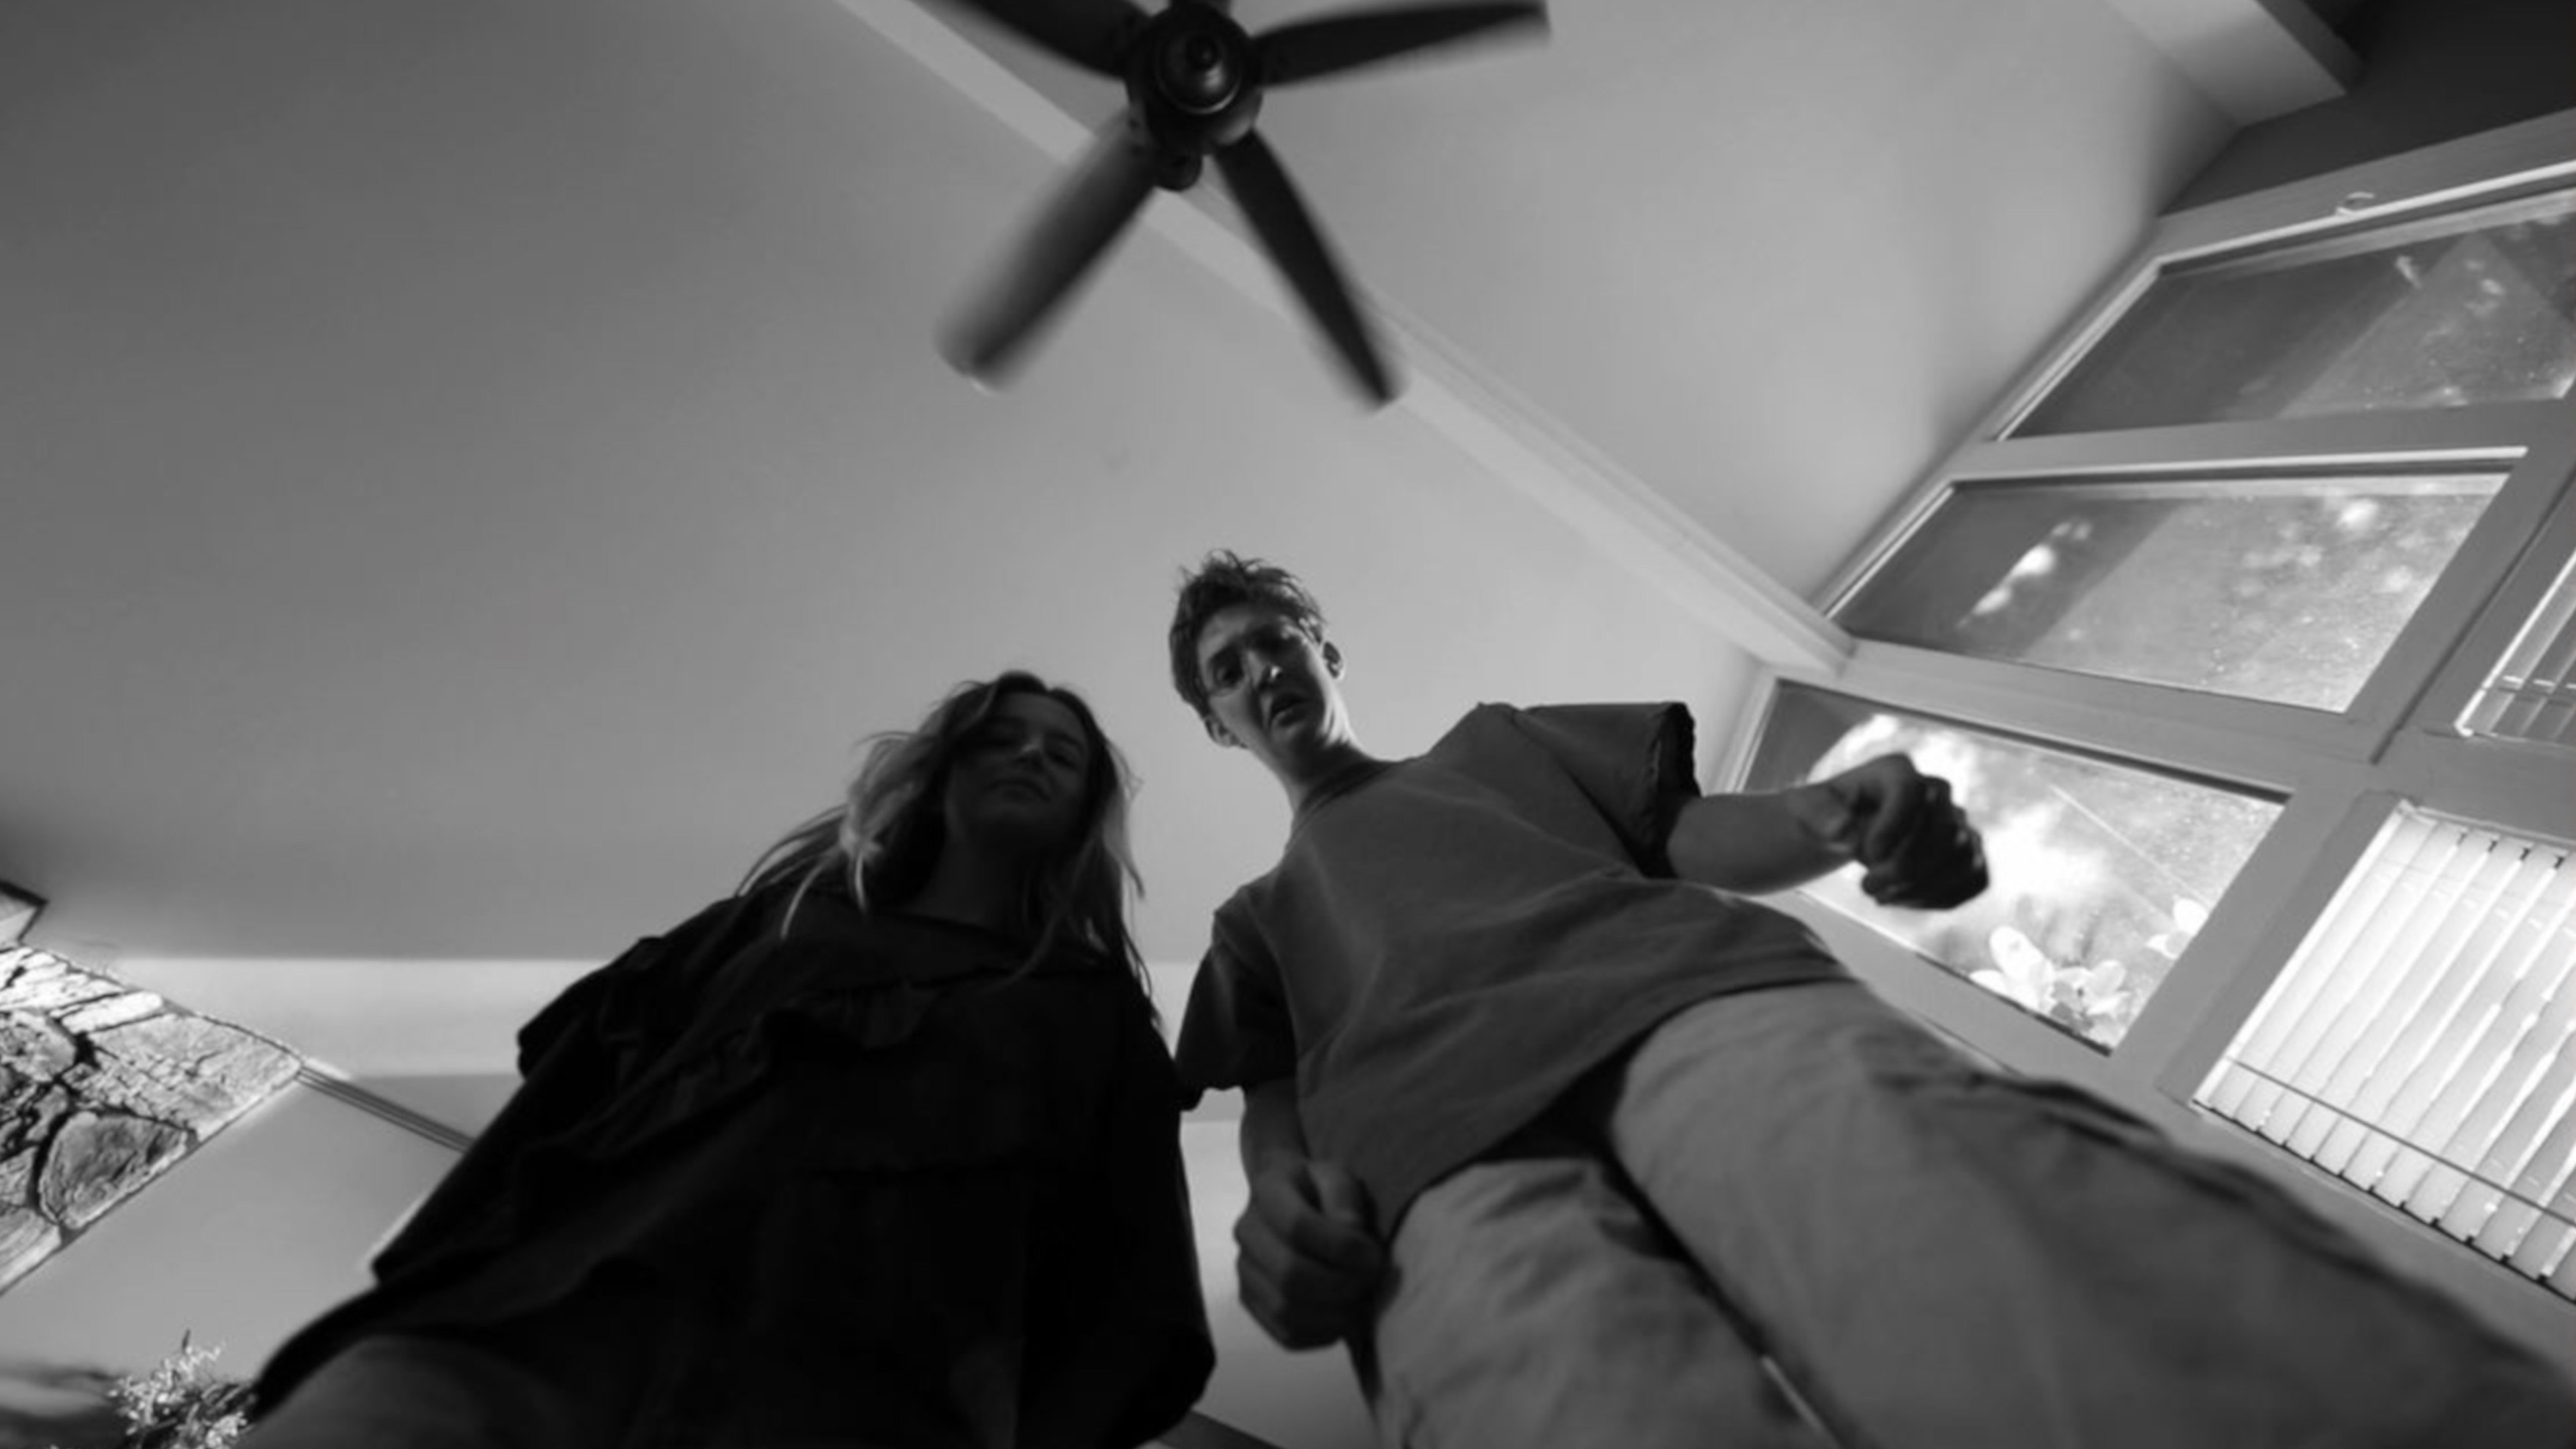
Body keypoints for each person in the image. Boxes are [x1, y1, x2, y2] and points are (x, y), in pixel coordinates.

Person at [1164, 550, 2576, 1449]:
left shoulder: (1501, 746)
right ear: (1216, 725)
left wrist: (1842, 813)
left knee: (2030, 1287)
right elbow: (1275, 1105)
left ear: (1326, 651)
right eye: (1227, 671)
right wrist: (1277, 1212)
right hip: (1430, 1177)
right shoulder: (1255, 922)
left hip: (1689, 1016)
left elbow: (1692, 835)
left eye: (1275, 638)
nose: (1259, 670)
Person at [245, 672, 1214, 1449]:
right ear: (943, 768)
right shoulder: (768, 925)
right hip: (537, 1324)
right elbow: (566, 1096)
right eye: (1002, 737)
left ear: (1086, 812)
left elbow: (1133, 1298)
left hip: (866, 1403)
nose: (1032, 754)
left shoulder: (1097, 1018)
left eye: (1062, 753)